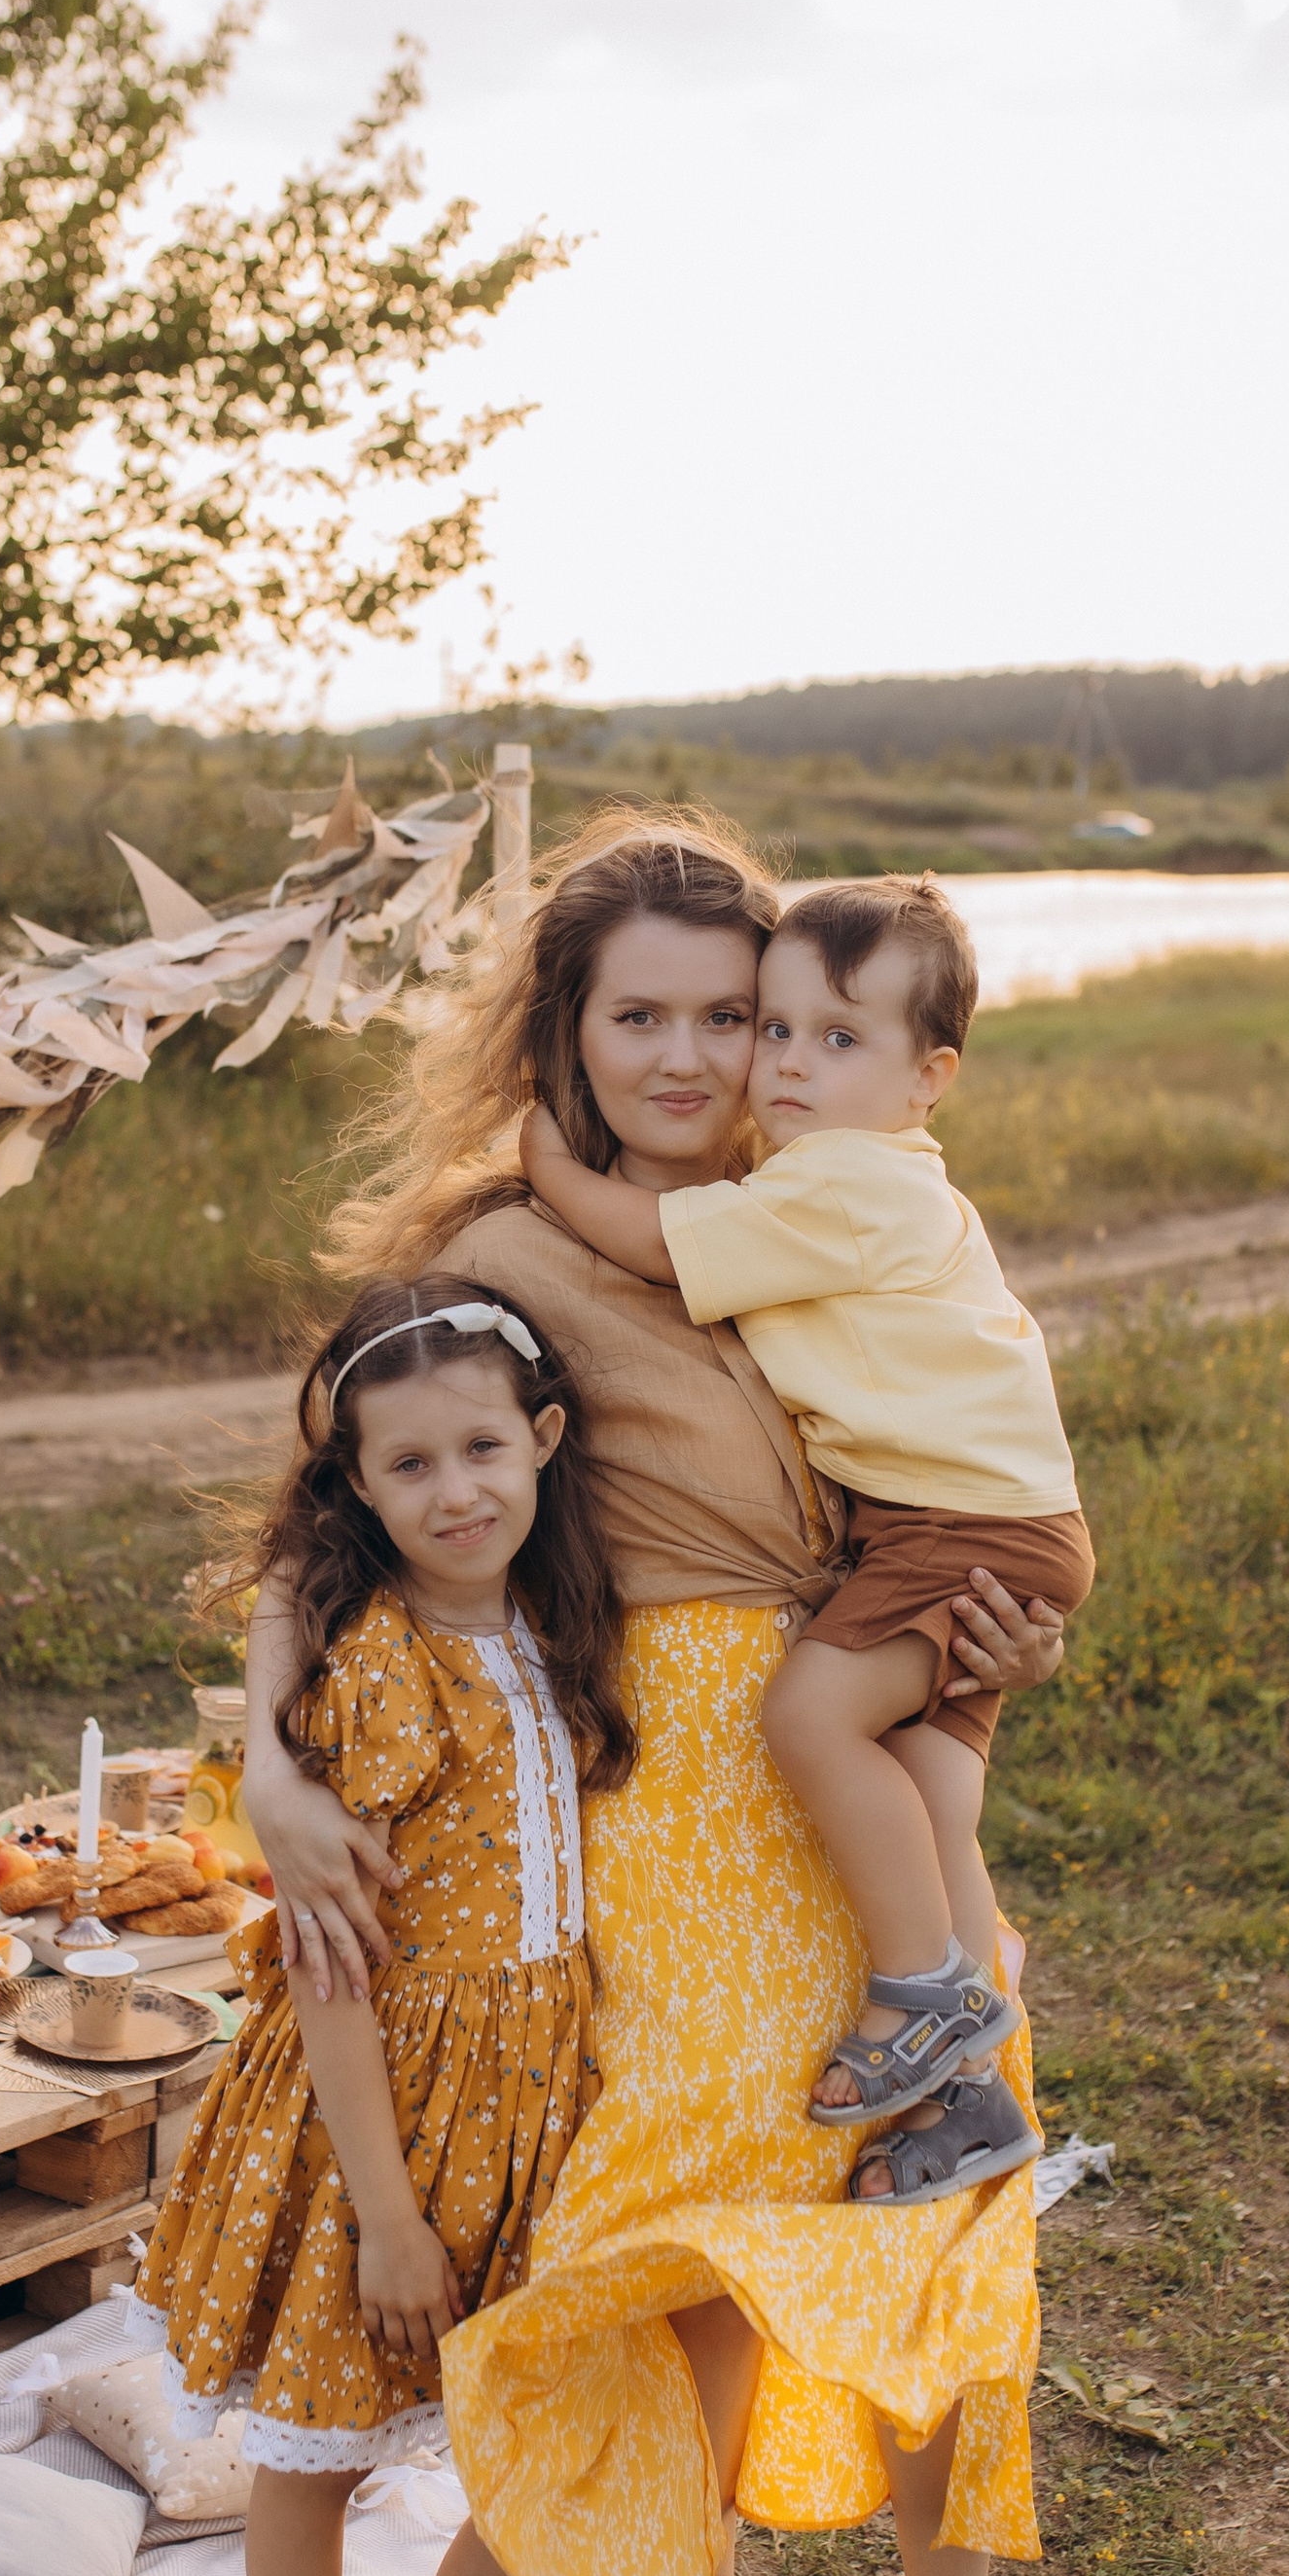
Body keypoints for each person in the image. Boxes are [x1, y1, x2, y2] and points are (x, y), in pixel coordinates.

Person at [243, 809, 1067, 2576]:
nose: (695, 1058)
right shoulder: (502, 1249)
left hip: (873, 1756)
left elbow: (975, 1462)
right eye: (643, 1017)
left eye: (733, 1014)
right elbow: (317, 1520)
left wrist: (1008, 1641)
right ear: (566, 1028)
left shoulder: (840, 1198)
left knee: (949, 2214)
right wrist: (264, 1767)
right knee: (690, 2236)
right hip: (668, 1784)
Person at [129, 1274, 629, 2576]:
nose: (456, 1491)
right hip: (377, 2121)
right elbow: (332, 1971)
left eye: (482, 1447)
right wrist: (389, 2216)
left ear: (544, 1438)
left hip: (539, 2102)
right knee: (321, 2450)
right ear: (357, 1486)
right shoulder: (378, 1672)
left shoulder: (561, 1627)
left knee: (548, 2430)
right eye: (408, 1466)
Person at [519, 874, 1093, 2209]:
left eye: (831, 1038)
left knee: (814, 1719)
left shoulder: (838, 1181)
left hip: (949, 1528)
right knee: (935, 1803)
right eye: (773, 1028)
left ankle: (926, 1995)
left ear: (929, 1078)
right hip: (992, 1524)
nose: (780, 1064)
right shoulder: (839, 1180)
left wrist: (547, 1167)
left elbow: (657, 1246)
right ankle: (971, 2100)